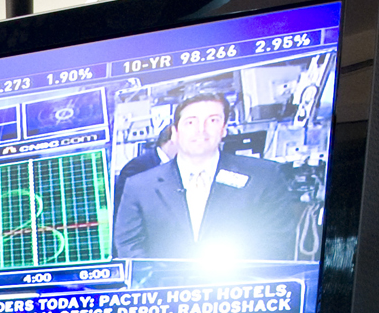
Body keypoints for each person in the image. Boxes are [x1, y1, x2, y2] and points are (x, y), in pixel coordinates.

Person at [111, 92, 302, 262]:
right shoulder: (139, 186)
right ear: (175, 132)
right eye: (191, 122)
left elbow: (277, 239)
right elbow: (129, 245)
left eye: (212, 120)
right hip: (164, 294)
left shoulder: (264, 176)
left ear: (224, 129)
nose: (201, 130)